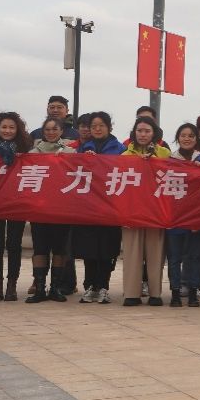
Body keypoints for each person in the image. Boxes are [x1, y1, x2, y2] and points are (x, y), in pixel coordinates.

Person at [72, 112, 125, 303]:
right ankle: (89, 286)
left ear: (109, 127)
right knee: (89, 249)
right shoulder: (83, 148)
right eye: (93, 126)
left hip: (111, 207)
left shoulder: (120, 149)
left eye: (101, 125)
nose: (97, 129)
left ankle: (103, 286)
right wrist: (84, 159)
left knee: (107, 249)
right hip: (89, 207)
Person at [119, 117, 171, 307]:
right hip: (132, 211)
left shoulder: (164, 153)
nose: (143, 134)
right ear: (134, 133)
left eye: (147, 131)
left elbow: (171, 177)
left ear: (154, 133)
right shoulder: (125, 155)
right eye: (139, 130)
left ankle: (155, 293)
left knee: (155, 253)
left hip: (156, 211)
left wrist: (152, 161)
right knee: (132, 253)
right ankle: (131, 293)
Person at [0, 112, 33, 302]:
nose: (8, 131)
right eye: (4, 127)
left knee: (14, 244)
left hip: (17, 202)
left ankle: (12, 286)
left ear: (18, 129)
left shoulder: (26, 149)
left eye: (12, 127)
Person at [26, 118, 75, 303]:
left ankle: (55, 287)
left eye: (55, 129)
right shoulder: (33, 153)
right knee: (40, 248)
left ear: (62, 131)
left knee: (60, 249)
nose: (51, 132)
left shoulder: (71, 152)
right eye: (47, 129)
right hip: (39, 209)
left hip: (62, 209)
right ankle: (39, 288)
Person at [168, 123, 200, 306]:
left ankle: (193, 291)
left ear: (196, 139)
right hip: (174, 217)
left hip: (197, 217)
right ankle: (175, 293)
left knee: (196, 257)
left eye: (191, 136)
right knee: (174, 258)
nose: (187, 139)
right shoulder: (168, 161)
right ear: (178, 138)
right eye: (183, 135)